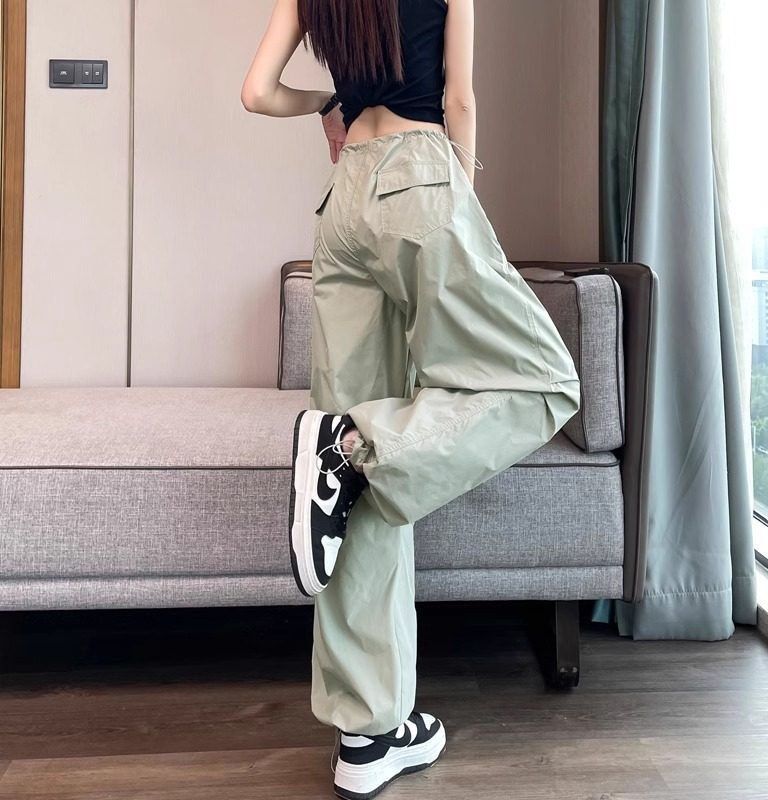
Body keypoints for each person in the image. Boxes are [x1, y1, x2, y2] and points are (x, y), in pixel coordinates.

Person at [241, 1, 581, 797]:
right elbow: (458, 97)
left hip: (343, 202)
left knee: (358, 500)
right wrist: (461, 192)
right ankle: (350, 448)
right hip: (422, 177)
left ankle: (368, 736)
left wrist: (326, 105)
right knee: (542, 378)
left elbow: (257, 92)